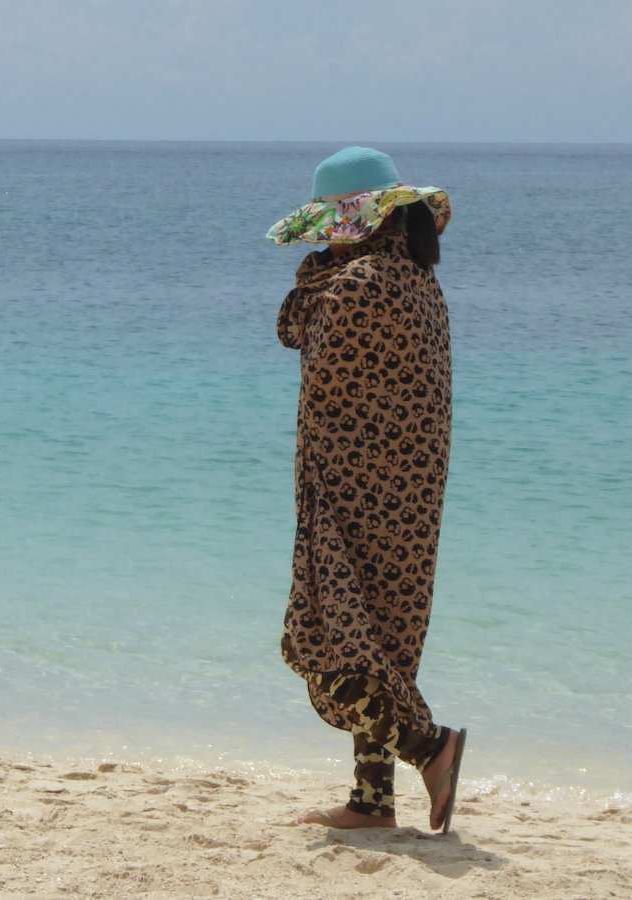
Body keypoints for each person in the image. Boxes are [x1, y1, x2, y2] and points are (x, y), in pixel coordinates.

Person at [266, 146, 466, 833]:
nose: (323, 236)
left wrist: (316, 276)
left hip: (354, 497)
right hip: (409, 498)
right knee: (383, 642)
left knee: (322, 642)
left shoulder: (355, 287)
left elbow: (297, 332)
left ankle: (430, 747)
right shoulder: (417, 283)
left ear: (359, 220)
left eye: (330, 224)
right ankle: (370, 804)